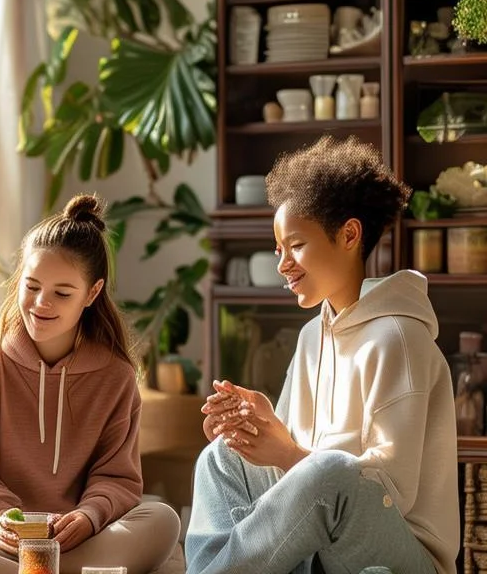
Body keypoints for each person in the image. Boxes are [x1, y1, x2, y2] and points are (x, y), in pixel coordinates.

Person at [186, 135, 460, 574]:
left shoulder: (399, 337)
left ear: (349, 234)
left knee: (330, 472)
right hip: (322, 541)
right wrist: (260, 429)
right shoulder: (311, 336)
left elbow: (387, 489)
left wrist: (287, 453)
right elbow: (293, 484)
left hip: (403, 551)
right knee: (222, 456)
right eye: (279, 250)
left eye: (296, 245)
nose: (283, 264)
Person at [0, 194, 182, 574]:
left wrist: (88, 516)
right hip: (7, 549)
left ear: (92, 293)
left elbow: (117, 478)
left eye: (62, 293)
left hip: (85, 541)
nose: (41, 303)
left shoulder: (116, 378)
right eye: (32, 287)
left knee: (162, 520)